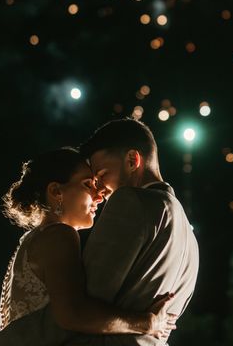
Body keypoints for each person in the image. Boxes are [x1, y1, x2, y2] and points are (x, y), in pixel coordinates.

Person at [0, 147, 177, 346]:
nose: (99, 196)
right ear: (56, 191)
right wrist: (148, 323)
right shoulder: (60, 235)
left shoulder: (34, 239)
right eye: (88, 185)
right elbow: (73, 314)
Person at [72, 118, 200, 346]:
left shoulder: (129, 201)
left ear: (132, 160)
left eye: (101, 175)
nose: (98, 190)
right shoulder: (189, 238)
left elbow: (85, 298)